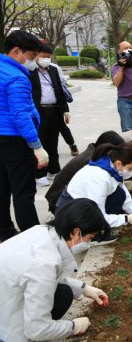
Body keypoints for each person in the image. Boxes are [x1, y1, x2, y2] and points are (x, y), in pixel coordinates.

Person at [0, 198, 109, 341]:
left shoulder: (40, 231)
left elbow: (40, 277)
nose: (89, 242)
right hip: (7, 328)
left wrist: (84, 288)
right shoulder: (45, 263)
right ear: (76, 232)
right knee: (61, 298)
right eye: (90, 237)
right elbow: (36, 330)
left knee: (64, 293)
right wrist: (73, 326)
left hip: (7, 296)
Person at [55, 142, 132, 241]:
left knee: (119, 195)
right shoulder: (100, 178)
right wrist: (127, 219)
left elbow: (127, 201)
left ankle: (97, 230)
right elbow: (99, 216)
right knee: (114, 201)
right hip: (69, 213)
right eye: (130, 168)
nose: (131, 172)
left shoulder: (112, 170)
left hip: (81, 206)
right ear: (118, 164)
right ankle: (91, 235)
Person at [0, 30, 47, 242]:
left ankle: (5, 233)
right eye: (31, 56)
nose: (34, 61)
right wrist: (36, 145)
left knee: (2, 188)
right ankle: (33, 239)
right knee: (23, 192)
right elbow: (20, 115)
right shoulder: (16, 77)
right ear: (17, 51)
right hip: (14, 140)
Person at [46, 131, 124, 213]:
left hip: (61, 197)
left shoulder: (94, 154)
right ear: (109, 150)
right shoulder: (92, 162)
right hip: (60, 202)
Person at [30, 43, 70, 187]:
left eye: (48, 57)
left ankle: (54, 169)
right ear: (36, 56)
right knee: (41, 142)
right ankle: (40, 173)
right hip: (39, 111)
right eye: (43, 56)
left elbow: (60, 90)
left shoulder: (53, 70)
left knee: (53, 142)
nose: (46, 59)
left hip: (54, 109)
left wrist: (65, 109)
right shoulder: (30, 71)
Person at [51, 58, 79, 156]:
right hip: (40, 106)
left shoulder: (54, 68)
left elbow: (63, 84)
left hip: (57, 104)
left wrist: (65, 109)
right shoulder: (31, 68)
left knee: (62, 126)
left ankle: (72, 144)